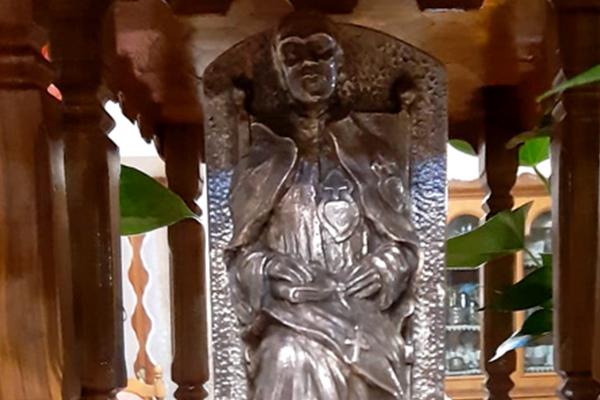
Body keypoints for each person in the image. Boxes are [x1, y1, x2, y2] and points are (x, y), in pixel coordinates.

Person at [226, 12, 420, 400]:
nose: (308, 64)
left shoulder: (372, 154)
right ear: (281, 70)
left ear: (339, 63)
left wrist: (380, 269)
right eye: (293, 55)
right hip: (289, 314)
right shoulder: (262, 159)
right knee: (286, 353)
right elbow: (240, 254)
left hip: (359, 315)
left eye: (320, 50)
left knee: (354, 360)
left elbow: (403, 247)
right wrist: (270, 267)